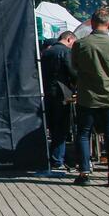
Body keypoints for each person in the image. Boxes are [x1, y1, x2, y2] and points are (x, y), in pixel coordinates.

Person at [71, 8, 109, 188]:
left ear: (92, 23)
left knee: (84, 134)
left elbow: (75, 66)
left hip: (87, 97)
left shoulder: (81, 44)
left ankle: (84, 173)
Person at [40, 31, 77, 170]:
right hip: (63, 93)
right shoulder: (65, 52)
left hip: (48, 92)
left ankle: (54, 158)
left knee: (53, 127)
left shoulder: (46, 53)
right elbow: (72, 73)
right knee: (61, 128)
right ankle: (58, 160)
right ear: (69, 39)